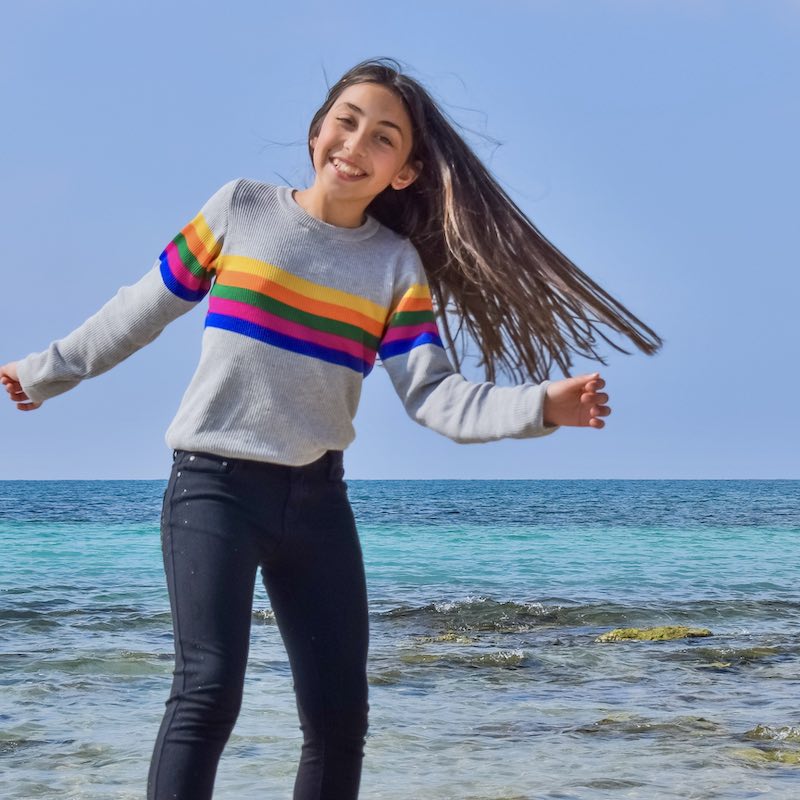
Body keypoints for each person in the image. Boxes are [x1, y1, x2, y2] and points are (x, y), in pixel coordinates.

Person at [0, 57, 661, 800]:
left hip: (317, 503)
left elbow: (436, 397)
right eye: (346, 121)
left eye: (383, 137)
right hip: (213, 489)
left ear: (404, 172)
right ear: (317, 131)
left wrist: (540, 406)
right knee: (208, 692)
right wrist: (45, 370)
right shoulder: (240, 209)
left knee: (340, 717)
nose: (356, 142)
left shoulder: (393, 265)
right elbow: (141, 307)